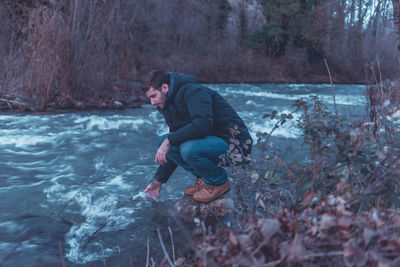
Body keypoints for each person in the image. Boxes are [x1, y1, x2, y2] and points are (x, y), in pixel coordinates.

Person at [142, 70, 252, 203]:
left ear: (165, 88)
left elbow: (203, 124)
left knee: (188, 148)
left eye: (153, 96)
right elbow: (175, 141)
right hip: (211, 143)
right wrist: (157, 180)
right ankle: (204, 180)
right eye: (149, 98)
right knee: (164, 142)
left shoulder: (193, 91)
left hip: (236, 146)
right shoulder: (167, 104)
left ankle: (218, 182)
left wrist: (169, 140)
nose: (152, 102)